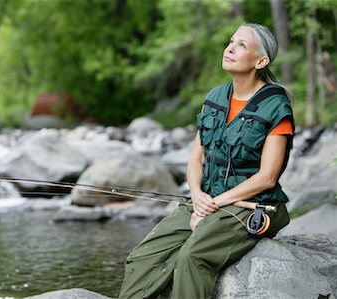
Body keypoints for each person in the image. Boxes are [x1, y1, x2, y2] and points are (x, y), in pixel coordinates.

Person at [118, 23, 294, 299]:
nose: (230, 48)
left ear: (261, 61)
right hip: (207, 200)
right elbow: (195, 160)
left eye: (242, 45)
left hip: (255, 206)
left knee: (192, 257)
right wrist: (198, 197)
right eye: (231, 41)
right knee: (142, 257)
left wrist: (213, 205)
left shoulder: (276, 108)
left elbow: (267, 177)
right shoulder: (214, 99)